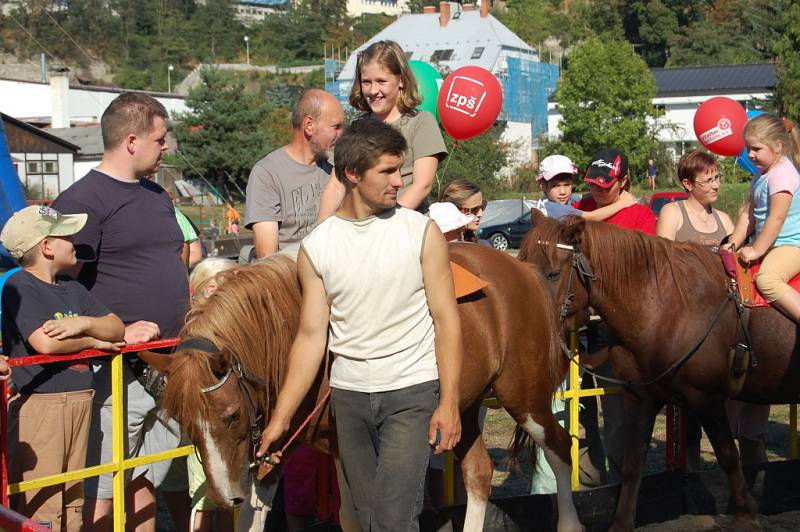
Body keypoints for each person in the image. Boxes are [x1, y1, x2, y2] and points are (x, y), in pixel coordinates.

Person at [257, 119, 462, 531]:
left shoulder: (421, 231)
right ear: (353, 173)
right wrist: (280, 419)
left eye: (400, 169)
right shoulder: (317, 247)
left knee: (393, 521)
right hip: (349, 398)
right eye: (387, 171)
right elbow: (311, 338)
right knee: (361, 519)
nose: (398, 181)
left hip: (411, 391)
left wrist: (450, 401)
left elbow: (447, 320)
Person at [51, 92, 191, 532]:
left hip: (169, 362)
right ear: (132, 140)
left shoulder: (156, 195)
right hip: (115, 370)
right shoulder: (81, 200)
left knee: (146, 478)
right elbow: (55, 283)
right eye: (160, 138)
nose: (165, 146)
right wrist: (113, 332)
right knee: (103, 489)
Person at [1, 205, 125, 531]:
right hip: (41, 404)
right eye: (66, 236)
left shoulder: (71, 286)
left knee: (73, 498)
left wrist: (83, 323)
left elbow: (116, 328)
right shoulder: (21, 286)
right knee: (43, 501)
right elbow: (47, 344)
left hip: (79, 399)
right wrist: (94, 343)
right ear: (46, 247)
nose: (74, 242)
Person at [576, 148, 657, 485]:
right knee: (578, 416)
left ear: (624, 182)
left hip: (618, 328)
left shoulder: (641, 218)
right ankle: (586, 487)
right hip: (580, 325)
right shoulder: (581, 207)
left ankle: (622, 489)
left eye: (604, 185)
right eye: (592, 183)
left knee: (616, 414)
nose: (596, 190)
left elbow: (646, 275)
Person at [657, 150, 740, 471]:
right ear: (687, 184)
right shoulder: (673, 213)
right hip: (684, 319)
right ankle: (687, 468)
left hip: (720, 319)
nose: (716, 185)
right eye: (708, 180)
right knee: (688, 405)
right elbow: (661, 263)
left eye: (718, 177)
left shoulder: (724, 219)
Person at [318, 40, 447, 219]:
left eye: (381, 81)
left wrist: (384, 225)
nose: (373, 90)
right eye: (366, 82)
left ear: (400, 80)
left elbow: (422, 186)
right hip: (361, 224)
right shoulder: (357, 128)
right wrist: (322, 229)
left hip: (406, 222)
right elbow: (336, 185)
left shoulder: (421, 122)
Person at [245, 89, 345, 260]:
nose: (341, 134)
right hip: (292, 276)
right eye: (336, 127)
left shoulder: (339, 166)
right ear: (309, 126)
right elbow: (267, 256)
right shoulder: (267, 173)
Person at [725, 114, 800, 324]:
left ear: (778, 145)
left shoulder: (782, 174)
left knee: (767, 280)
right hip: (772, 242)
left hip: (792, 245)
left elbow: (776, 218)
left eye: (756, 149)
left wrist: (757, 249)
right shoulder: (761, 175)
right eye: (748, 148)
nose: (750, 154)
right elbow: (749, 215)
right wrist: (731, 244)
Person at [186, 258, 237, 532]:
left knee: (230, 494)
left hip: (229, 425)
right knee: (204, 491)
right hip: (207, 426)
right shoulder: (197, 330)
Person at [535, 154, 638, 222]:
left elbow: (583, 196)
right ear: (542, 185)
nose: (562, 192)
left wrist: (612, 191)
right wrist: (623, 203)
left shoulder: (564, 199)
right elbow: (591, 217)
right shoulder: (551, 208)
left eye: (567, 185)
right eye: (555, 186)